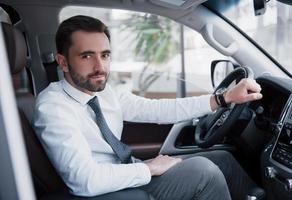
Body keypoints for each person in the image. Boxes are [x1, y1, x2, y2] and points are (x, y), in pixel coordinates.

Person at [34, 15, 263, 200]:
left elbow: (158, 109)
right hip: (108, 192)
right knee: (206, 172)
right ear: (62, 62)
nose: (99, 66)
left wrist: (223, 98)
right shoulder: (52, 107)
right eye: (87, 56)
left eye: (105, 55)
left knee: (222, 159)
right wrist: (149, 168)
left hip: (124, 178)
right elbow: (84, 180)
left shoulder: (104, 93)